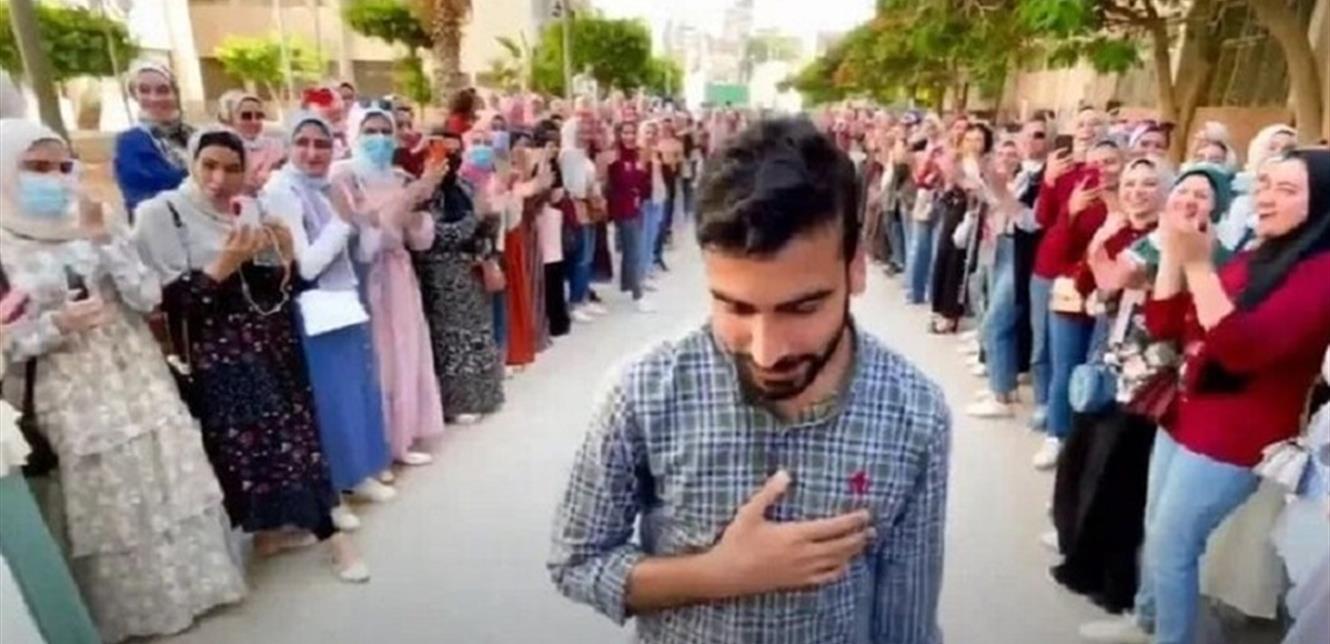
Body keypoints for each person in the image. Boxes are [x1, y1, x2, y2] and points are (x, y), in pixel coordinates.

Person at [549, 117, 950, 643]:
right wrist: (719, 574)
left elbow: (907, 629)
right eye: (736, 308)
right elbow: (576, 560)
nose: (766, 351)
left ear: (855, 268)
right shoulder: (644, 391)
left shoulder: (915, 414)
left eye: (802, 308)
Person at [1, 118, 245, 642]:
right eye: (36, 167)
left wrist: (101, 240)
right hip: (71, 390)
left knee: (168, 478)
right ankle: (135, 615)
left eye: (63, 166)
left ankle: (197, 590)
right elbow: (5, 342)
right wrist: (55, 325)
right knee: (111, 499)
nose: (54, 178)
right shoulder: (2, 245)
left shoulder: (97, 216)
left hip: (137, 374)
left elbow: (147, 295)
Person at [1080, 149, 1330, 644]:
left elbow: (1241, 349)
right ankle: (1147, 620)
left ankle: (1170, 635)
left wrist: (1196, 263)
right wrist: (1174, 253)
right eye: (1264, 185)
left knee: (1175, 545)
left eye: (1286, 190)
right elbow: (1168, 325)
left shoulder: (1321, 273)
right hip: (1187, 410)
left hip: (1236, 435)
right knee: (1157, 528)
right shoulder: (1257, 253)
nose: (1265, 198)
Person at [132, 126, 369, 582]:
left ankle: (269, 536)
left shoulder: (248, 208)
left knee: (293, 435)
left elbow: (274, 292)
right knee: (270, 443)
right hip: (221, 355)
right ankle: (334, 539)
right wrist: (223, 265)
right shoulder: (162, 214)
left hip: (272, 342)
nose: (220, 179)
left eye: (232, 168)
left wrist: (283, 258)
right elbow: (164, 304)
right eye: (209, 166)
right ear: (192, 164)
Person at [1047, 157, 1171, 612]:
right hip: (1105, 356)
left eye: (1149, 183)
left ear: (1166, 191)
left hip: (1145, 369)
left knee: (1117, 476)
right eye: (1131, 183)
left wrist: (1101, 249)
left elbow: (1113, 279)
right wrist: (1102, 238)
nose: (1137, 191)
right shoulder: (1119, 232)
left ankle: (1114, 585)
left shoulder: (1165, 239)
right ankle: (1077, 547)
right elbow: (1086, 284)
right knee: (1080, 458)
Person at [260, 112, 394, 530]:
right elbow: (306, 265)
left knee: (355, 393)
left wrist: (366, 220)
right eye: (303, 142)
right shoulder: (282, 191)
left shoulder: (333, 185)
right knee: (327, 404)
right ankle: (330, 493)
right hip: (312, 310)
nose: (313, 152)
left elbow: (365, 252)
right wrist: (341, 221)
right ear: (288, 146)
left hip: (345, 301)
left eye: (322, 143)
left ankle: (358, 473)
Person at [330, 104, 447, 469]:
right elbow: (368, 236)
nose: (379, 139)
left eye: (386, 132)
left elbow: (419, 238)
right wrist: (411, 196)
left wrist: (417, 207)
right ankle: (378, 442)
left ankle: (404, 433)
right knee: (377, 355)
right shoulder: (344, 176)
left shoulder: (398, 176)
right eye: (370, 131)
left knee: (406, 349)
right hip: (365, 276)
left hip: (400, 273)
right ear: (354, 134)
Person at [1030, 107, 1108, 460]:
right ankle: (1052, 423)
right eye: (1082, 124)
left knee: (1091, 364)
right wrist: (1054, 189)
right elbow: (1045, 221)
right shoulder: (1067, 174)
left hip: (1105, 286)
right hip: (1060, 275)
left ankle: (1079, 436)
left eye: (1096, 124)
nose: (1088, 129)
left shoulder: (1123, 188)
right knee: (1052, 351)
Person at [414, 130, 505, 424]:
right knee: (451, 340)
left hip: (470, 269)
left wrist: (488, 229)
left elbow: (483, 224)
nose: (450, 159)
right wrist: (475, 217)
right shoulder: (425, 193)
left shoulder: (464, 186)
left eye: (455, 152)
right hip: (441, 273)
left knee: (476, 333)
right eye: (443, 151)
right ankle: (456, 403)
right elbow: (438, 235)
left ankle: (483, 395)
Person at [113, 62, 193, 216]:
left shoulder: (193, 135)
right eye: (144, 91)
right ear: (135, 95)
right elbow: (144, 191)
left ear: (175, 94)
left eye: (163, 90)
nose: (154, 98)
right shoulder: (130, 142)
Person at [604, 119, 655, 313]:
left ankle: (628, 285)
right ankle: (638, 294)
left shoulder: (638, 155)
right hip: (622, 208)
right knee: (634, 251)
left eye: (632, 132)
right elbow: (620, 183)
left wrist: (643, 171)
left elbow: (644, 186)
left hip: (636, 207)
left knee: (631, 250)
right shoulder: (615, 157)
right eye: (625, 133)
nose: (629, 137)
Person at [217, 90, 285, 194]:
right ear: (231, 119)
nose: (254, 121)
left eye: (259, 116)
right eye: (246, 116)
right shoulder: (221, 148)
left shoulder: (275, 146)